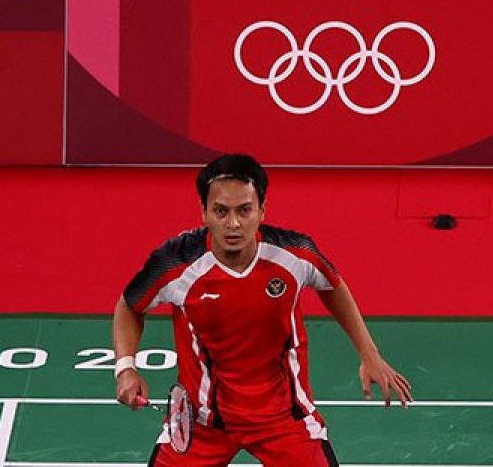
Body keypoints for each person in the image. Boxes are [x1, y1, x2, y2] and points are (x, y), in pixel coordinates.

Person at [113, 154, 412, 465]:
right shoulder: (175, 263)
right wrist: (126, 368)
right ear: (204, 212)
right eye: (221, 211)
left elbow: (333, 285)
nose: (233, 224)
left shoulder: (294, 254)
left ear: (262, 211)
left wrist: (369, 353)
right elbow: (129, 306)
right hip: (203, 422)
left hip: (284, 419)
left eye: (245, 210)